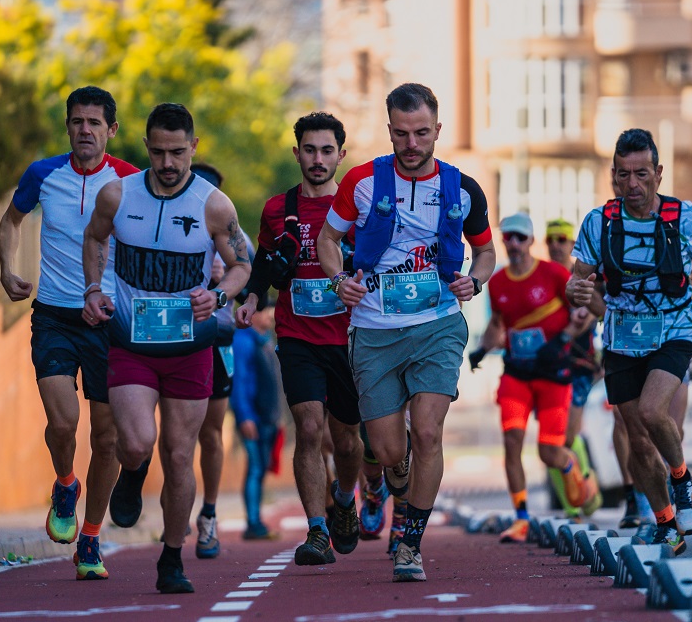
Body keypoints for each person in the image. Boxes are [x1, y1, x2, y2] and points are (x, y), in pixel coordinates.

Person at [318, 83, 496, 582]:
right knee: (392, 449)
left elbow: (485, 251)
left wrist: (475, 280)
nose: (412, 143)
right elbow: (329, 240)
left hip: (437, 323)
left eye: (422, 133)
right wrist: (339, 281)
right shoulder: (361, 182)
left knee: (428, 431)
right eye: (401, 133)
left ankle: (410, 543)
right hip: (374, 328)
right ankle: (392, 477)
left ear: (438, 130)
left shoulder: (463, 188)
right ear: (389, 129)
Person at [82, 103, 251, 593]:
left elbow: (240, 264)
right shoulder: (118, 194)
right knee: (134, 442)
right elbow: (94, 240)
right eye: (157, 152)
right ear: (146, 148)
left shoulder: (213, 204)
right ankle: (133, 473)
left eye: (178, 152)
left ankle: (172, 558)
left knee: (180, 455)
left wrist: (217, 295)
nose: (168, 163)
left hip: (188, 346)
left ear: (193, 147)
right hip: (132, 342)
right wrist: (94, 290)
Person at [0, 86, 139, 581]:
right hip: (54, 314)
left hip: (109, 321)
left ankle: (91, 537)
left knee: (108, 437)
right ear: (68, 127)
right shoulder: (43, 174)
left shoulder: (129, 182)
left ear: (111, 130)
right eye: (77, 121)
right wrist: (6, 269)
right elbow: (11, 220)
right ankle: (64, 483)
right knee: (63, 422)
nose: (85, 130)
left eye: (95, 123)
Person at [567, 128, 692, 556]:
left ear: (658, 173)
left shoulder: (683, 216)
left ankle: (682, 481)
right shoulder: (598, 222)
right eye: (623, 175)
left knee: (653, 411)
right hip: (621, 334)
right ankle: (665, 524)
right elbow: (578, 278)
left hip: (674, 327)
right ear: (613, 176)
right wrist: (579, 291)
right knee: (637, 439)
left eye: (641, 174)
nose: (632, 185)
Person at [235, 112, 366, 565]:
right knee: (309, 429)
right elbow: (264, 265)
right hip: (297, 334)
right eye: (309, 150)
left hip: (348, 337)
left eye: (327, 150)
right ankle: (316, 532)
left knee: (347, 441)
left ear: (340, 155)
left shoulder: (357, 207)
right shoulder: (277, 209)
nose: (317, 159)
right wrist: (253, 298)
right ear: (297, 153)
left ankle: (345, 498)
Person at [476, 212, 600, 542]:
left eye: (520, 237)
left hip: (554, 375)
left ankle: (573, 467)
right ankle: (521, 517)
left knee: (550, 452)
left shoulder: (553, 274)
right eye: (508, 237)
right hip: (516, 375)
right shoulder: (499, 282)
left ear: (531, 242)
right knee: (512, 441)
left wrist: (563, 339)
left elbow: (586, 313)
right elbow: (498, 324)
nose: (514, 243)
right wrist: (480, 350)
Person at [189, 163, 236, 559]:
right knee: (177, 433)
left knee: (211, 431)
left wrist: (226, 287)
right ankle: (178, 510)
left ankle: (209, 512)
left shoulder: (229, 233)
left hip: (219, 339)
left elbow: (251, 278)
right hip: (177, 338)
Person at [543, 218, 604, 520]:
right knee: (549, 439)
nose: (556, 245)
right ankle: (572, 508)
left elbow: (590, 316)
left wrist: (562, 337)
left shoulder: (582, 278)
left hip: (578, 365)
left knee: (566, 437)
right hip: (544, 367)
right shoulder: (541, 277)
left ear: (572, 244)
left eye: (562, 239)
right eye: (551, 239)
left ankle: (587, 490)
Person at [230, 304, 283, 538]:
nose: (271, 316)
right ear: (254, 314)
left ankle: (256, 520)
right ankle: (252, 522)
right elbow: (238, 381)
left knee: (260, 469)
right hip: (253, 418)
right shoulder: (243, 340)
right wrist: (245, 417)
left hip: (267, 417)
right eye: (268, 311)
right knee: (255, 468)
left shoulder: (266, 340)